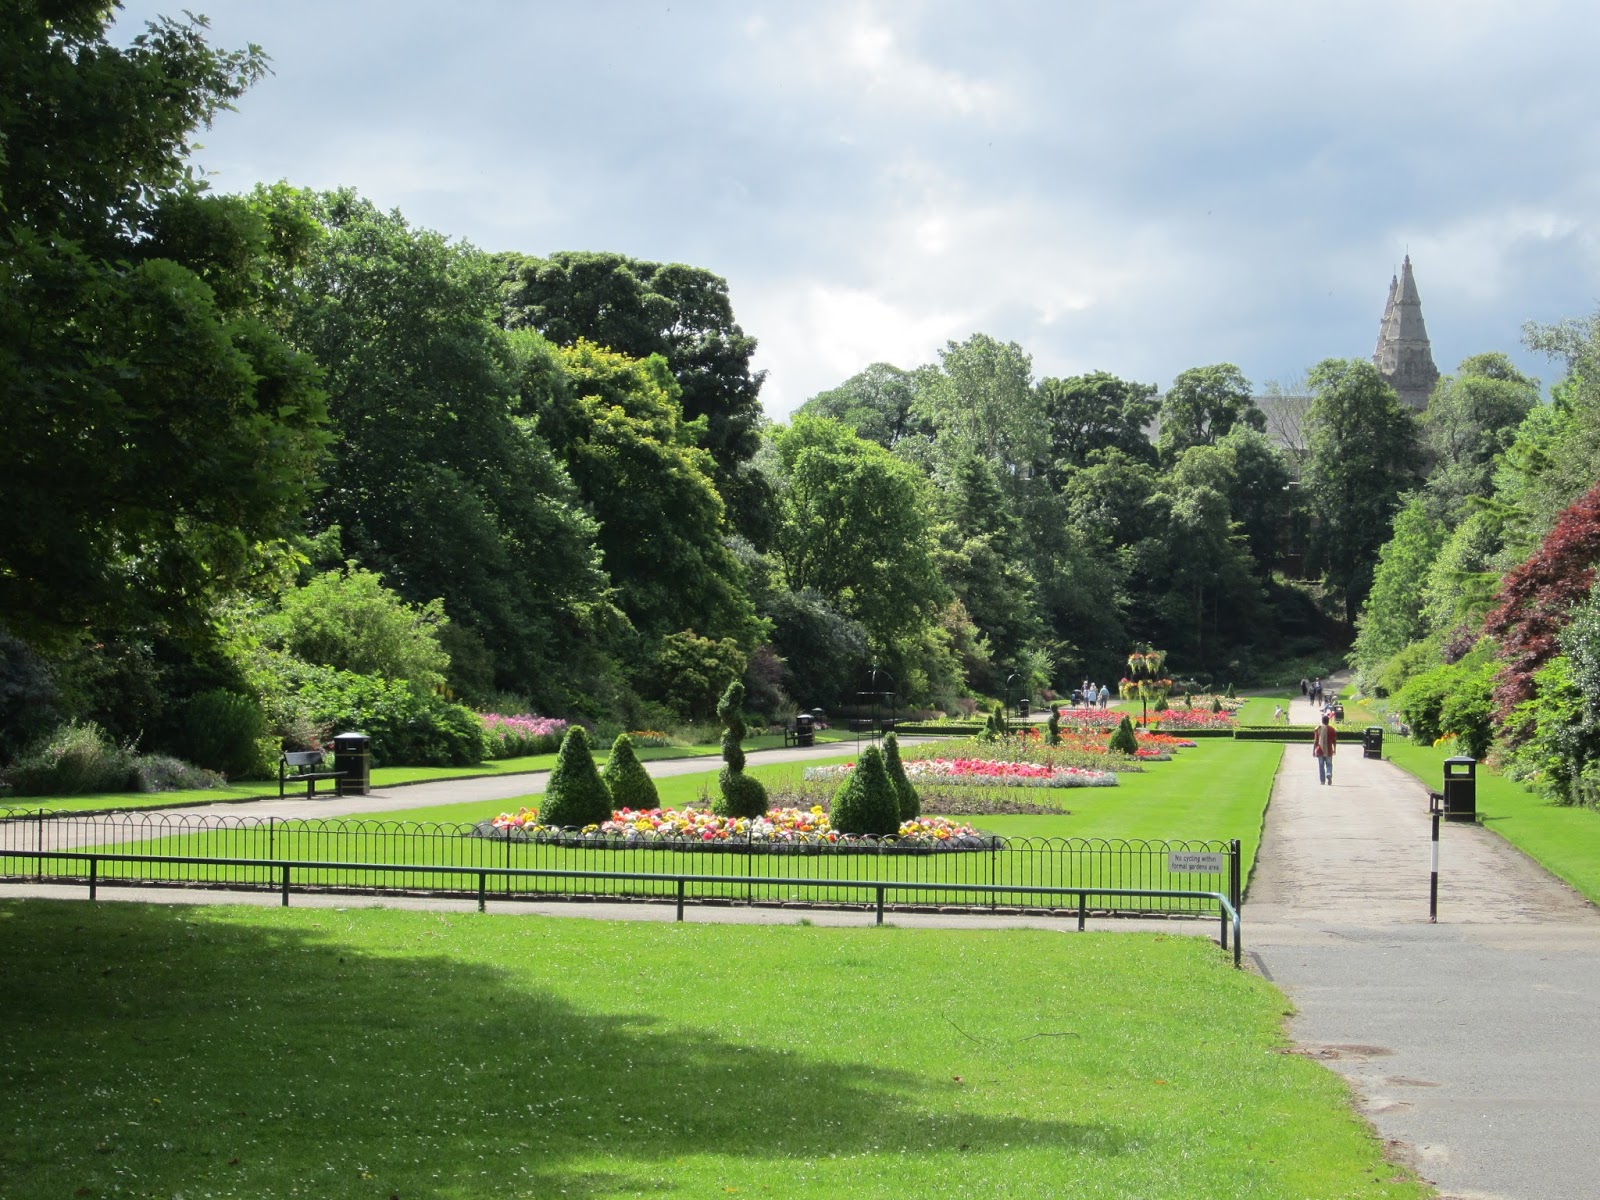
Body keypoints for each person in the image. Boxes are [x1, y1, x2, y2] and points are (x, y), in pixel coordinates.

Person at [1312, 713, 1336, 785]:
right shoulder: (1332, 729)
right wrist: (1335, 749)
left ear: (1322, 721)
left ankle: (1322, 781)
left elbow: (1316, 741)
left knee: (1321, 766)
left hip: (1320, 750)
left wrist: (1313, 751)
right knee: (1329, 764)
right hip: (1329, 750)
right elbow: (1334, 741)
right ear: (1328, 721)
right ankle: (1328, 773)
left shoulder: (1318, 729)